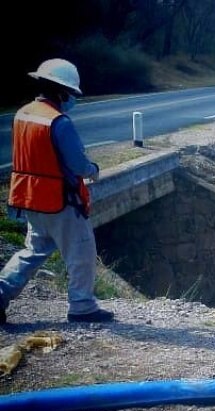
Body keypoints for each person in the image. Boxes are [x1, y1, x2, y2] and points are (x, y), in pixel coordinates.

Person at [0, 58, 113, 325]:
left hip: (30, 197)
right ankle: (82, 307)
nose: (72, 99)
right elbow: (78, 165)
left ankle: (1, 293)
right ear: (61, 91)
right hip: (60, 200)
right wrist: (93, 169)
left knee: (32, 252)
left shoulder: (23, 113)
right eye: (71, 94)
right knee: (81, 252)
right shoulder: (58, 122)